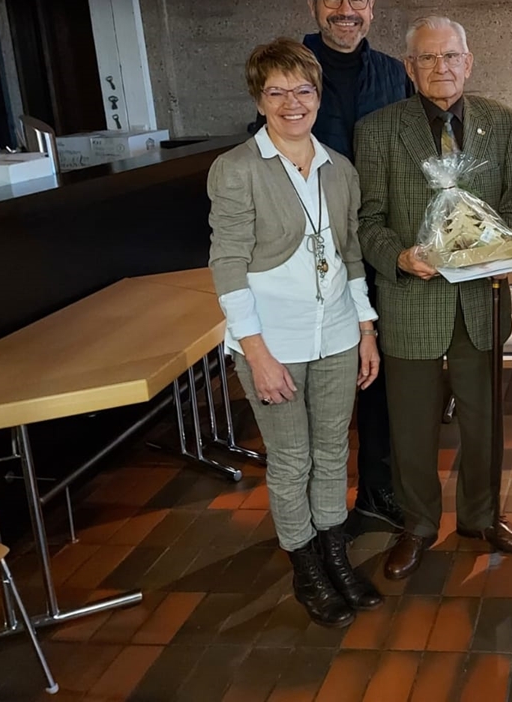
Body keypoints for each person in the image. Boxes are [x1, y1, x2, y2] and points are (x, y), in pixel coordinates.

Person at [207, 38, 384, 628]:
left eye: (303, 90)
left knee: (334, 453)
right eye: (276, 91)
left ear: (318, 95)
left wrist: (365, 328)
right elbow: (226, 264)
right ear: (259, 98)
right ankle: (305, 566)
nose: (291, 103)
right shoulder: (235, 170)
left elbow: (351, 253)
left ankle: (335, 554)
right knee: (291, 458)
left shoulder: (340, 168)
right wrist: (254, 352)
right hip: (271, 341)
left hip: (335, 331)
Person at [355, 15, 512, 579]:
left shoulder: (502, 123)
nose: (441, 68)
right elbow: (367, 221)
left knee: (484, 422)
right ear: (409, 68)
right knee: (410, 426)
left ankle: (481, 515)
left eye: (450, 56)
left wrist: (489, 243)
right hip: (411, 300)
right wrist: (401, 257)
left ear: (469, 60)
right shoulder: (379, 129)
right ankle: (418, 525)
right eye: (427, 59)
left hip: (481, 302)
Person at [254, 0, 413, 530]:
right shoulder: (289, 73)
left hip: (374, 247)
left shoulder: (395, 72)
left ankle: (375, 489)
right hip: (308, 265)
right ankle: (314, 522)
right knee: (313, 398)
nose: (345, 11)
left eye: (357, 0)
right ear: (313, 5)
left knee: (377, 381)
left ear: (371, 7)